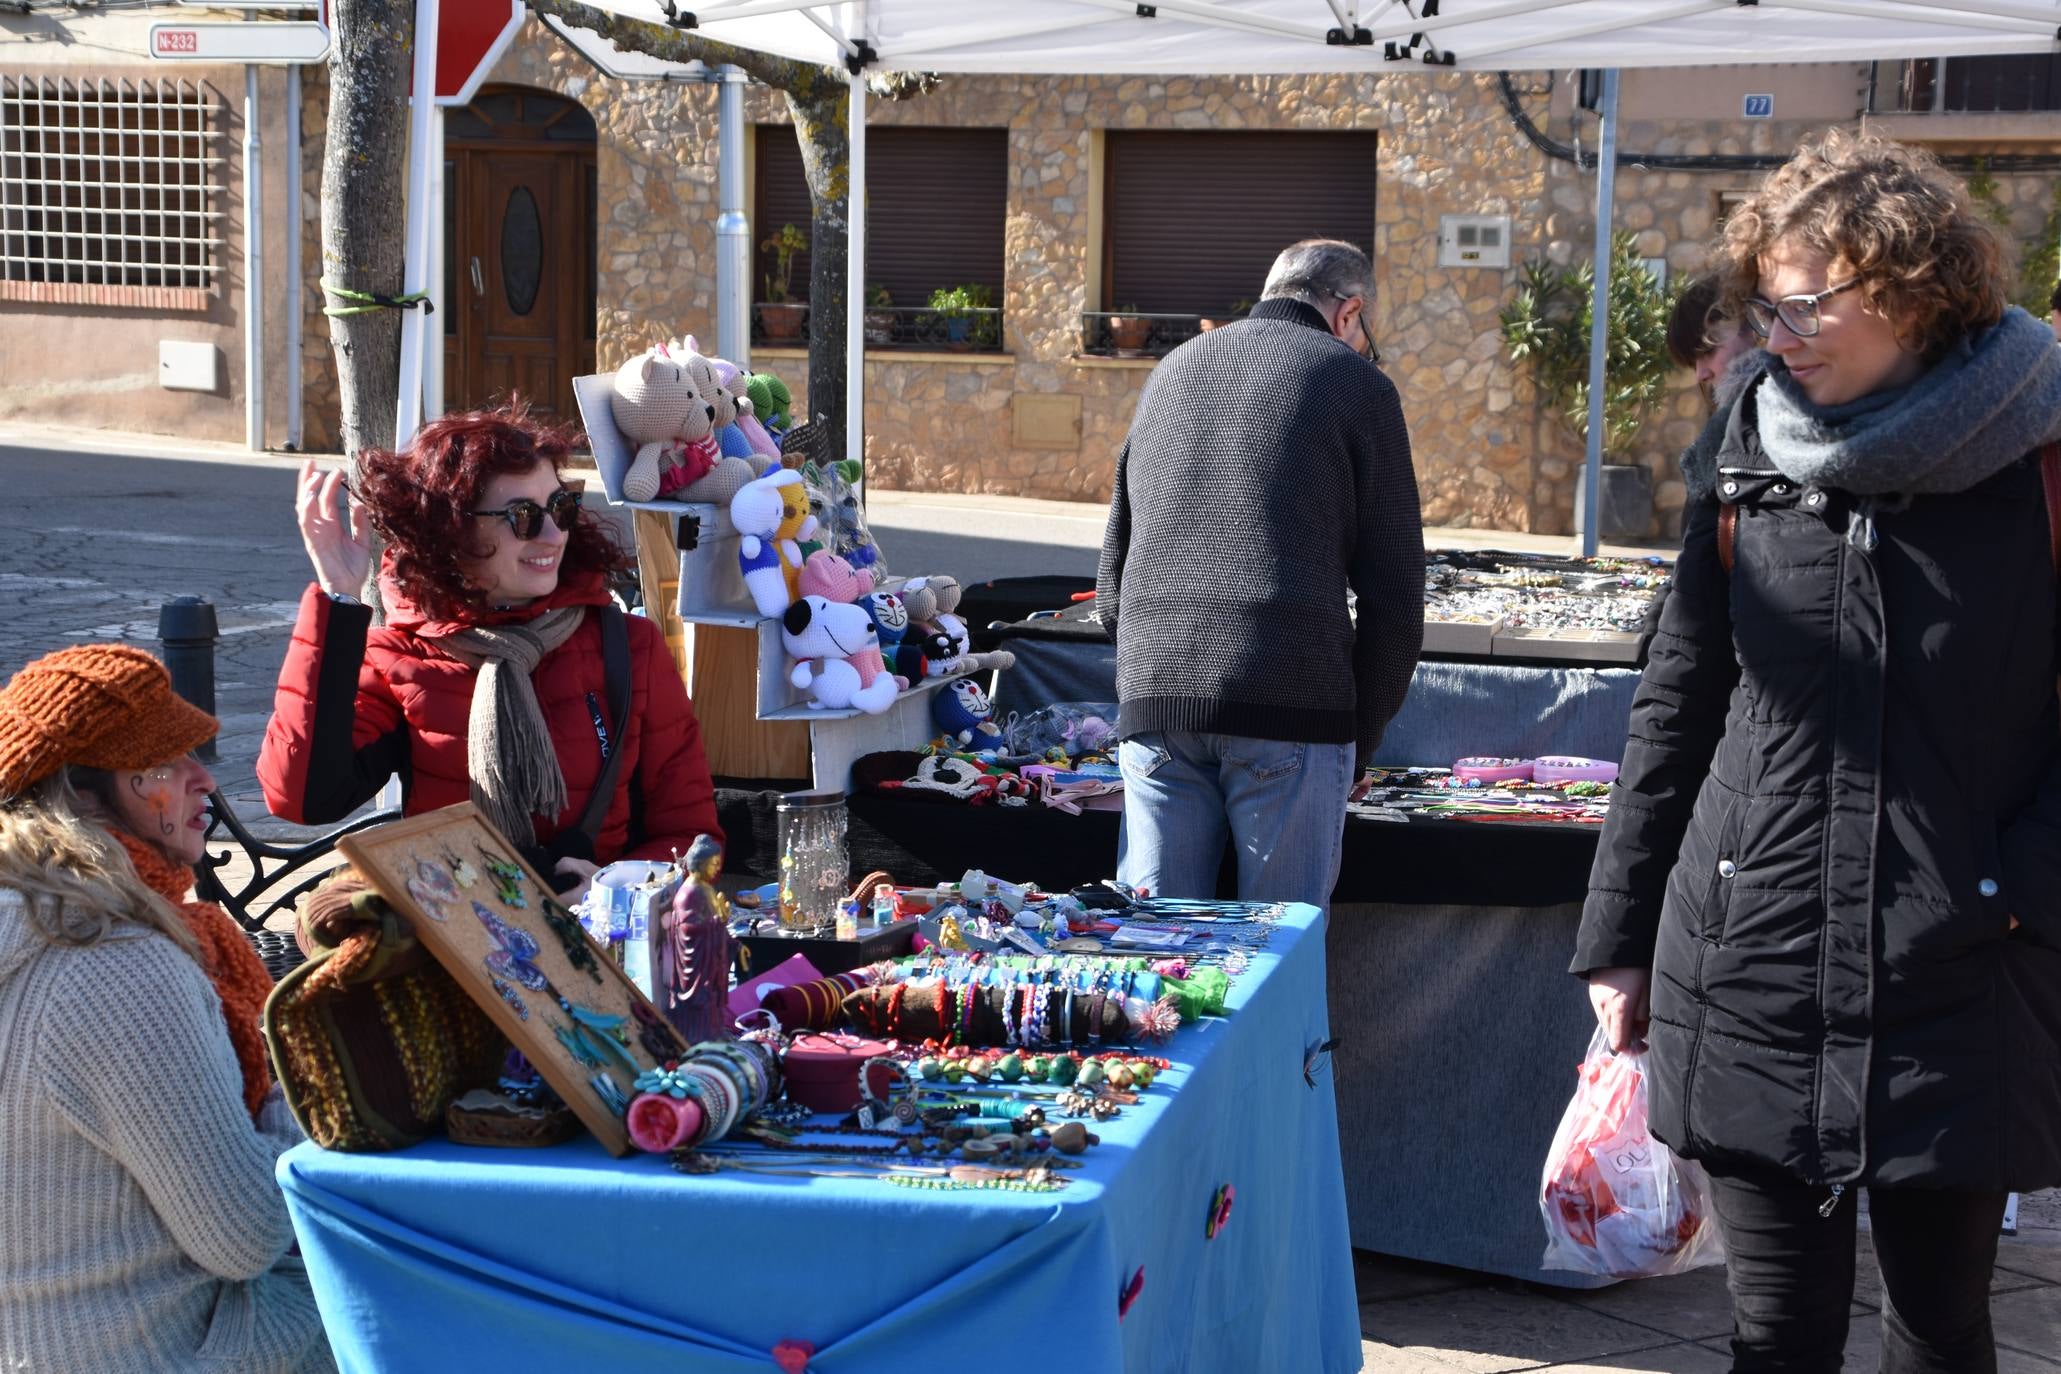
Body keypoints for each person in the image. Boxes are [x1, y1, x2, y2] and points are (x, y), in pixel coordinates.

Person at [1574, 129, 2061, 1371]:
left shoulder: (2042, 457)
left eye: (1803, 308)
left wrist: (2013, 895)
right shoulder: (1750, 435)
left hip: (1961, 968)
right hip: (1754, 958)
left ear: (1910, 290)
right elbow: (1680, 693)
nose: (1775, 338)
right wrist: (1622, 934)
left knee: (1940, 1326)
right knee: (1773, 1332)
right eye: (1767, 307)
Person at [0, 645, 332, 1372]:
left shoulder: (27, 918)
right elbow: (245, 1233)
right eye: (161, 764)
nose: (203, 778)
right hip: (157, 1349)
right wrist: (295, 1089)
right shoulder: (118, 962)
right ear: (80, 798)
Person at [259, 403, 720, 894]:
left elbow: (691, 835)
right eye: (522, 516)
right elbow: (303, 799)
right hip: (459, 937)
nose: (552, 534)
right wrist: (337, 599)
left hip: (598, 939)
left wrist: (610, 888)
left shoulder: (629, 645)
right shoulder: (402, 657)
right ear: (450, 529)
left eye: (560, 506)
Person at [1096, 238, 1424, 906]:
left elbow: (1111, 585)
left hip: (1156, 699)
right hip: (1290, 703)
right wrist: (1357, 744)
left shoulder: (1172, 370)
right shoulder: (1358, 385)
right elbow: (1395, 600)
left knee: (1156, 956)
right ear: (1348, 312)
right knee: (1273, 958)